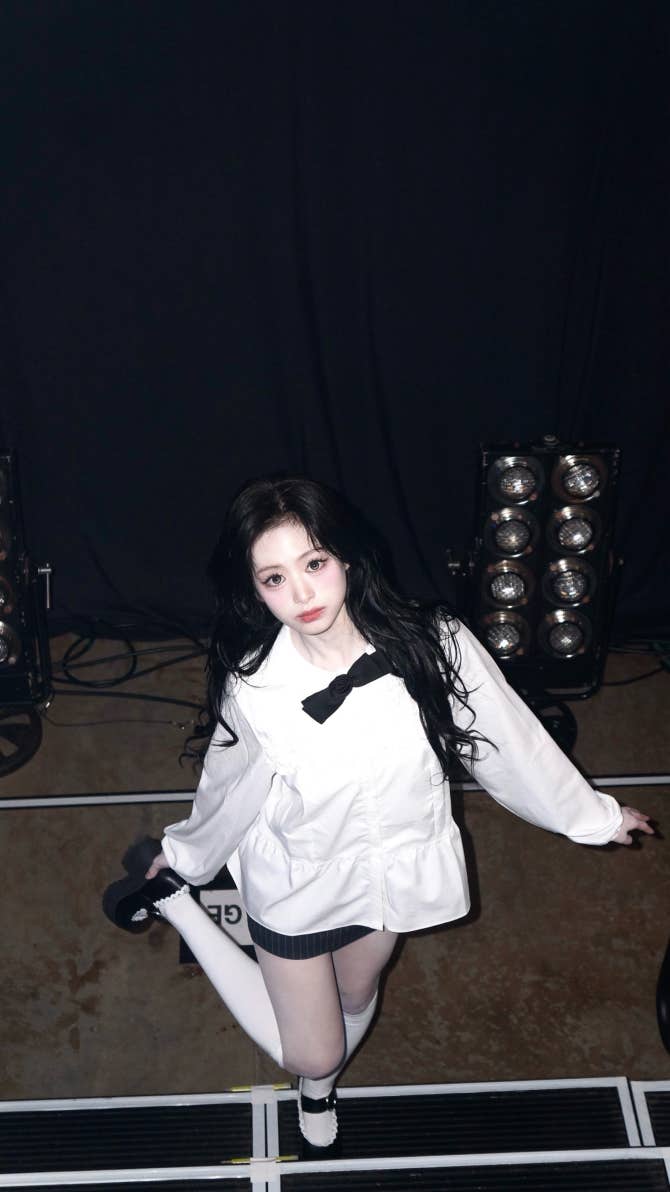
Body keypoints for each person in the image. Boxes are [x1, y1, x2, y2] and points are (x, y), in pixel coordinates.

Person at [103, 474, 654, 1154]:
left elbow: (507, 741)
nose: (301, 594)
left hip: (393, 872)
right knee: (312, 1048)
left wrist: (593, 817)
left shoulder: (435, 642)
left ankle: (320, 1085)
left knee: (356, 995)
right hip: (301, 880)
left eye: (313, 563)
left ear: (347, 556)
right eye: (274, 578)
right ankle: (181, 908)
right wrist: (187, 858)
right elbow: (228, 788)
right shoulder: (258, 687)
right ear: (254, 590)